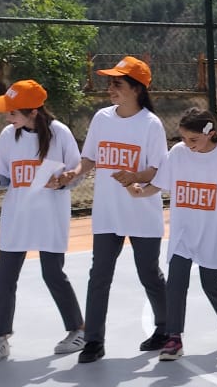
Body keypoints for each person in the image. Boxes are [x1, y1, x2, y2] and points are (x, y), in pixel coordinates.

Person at [68, 57, 167, 365]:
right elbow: (89, 160)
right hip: (108, 213)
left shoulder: (151, 124)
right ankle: (94, 341)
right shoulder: (101, 119)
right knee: (99, 275)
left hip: (141, 210)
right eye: (109, 83)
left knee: (149, 272)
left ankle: (166, 329)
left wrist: (134, 177)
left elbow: (157, 171)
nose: (110, 88)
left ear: (137, 89)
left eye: (117, 83)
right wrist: (72, 174)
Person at [0, 79, 83, 364]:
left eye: (13, 112)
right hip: (17, 215)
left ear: (33, 112)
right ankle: (0, 337)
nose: (7, 117)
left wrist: (63, 182)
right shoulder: (6, 135)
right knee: (5, 278)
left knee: (52, 274)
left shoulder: (59, 133)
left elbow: (78, 172)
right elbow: (4, 176)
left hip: (50, 215)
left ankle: (78, 330)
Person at [146, 107, 217, 362]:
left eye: (193, 139)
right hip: (183, 232)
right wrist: (138, 190)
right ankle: (174, 337)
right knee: (176, 283)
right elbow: (158, 184)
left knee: (211, 283)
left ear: (210, 133)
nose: (187, 144)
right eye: (183, 138)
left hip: (212, 232)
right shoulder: (178, 154)